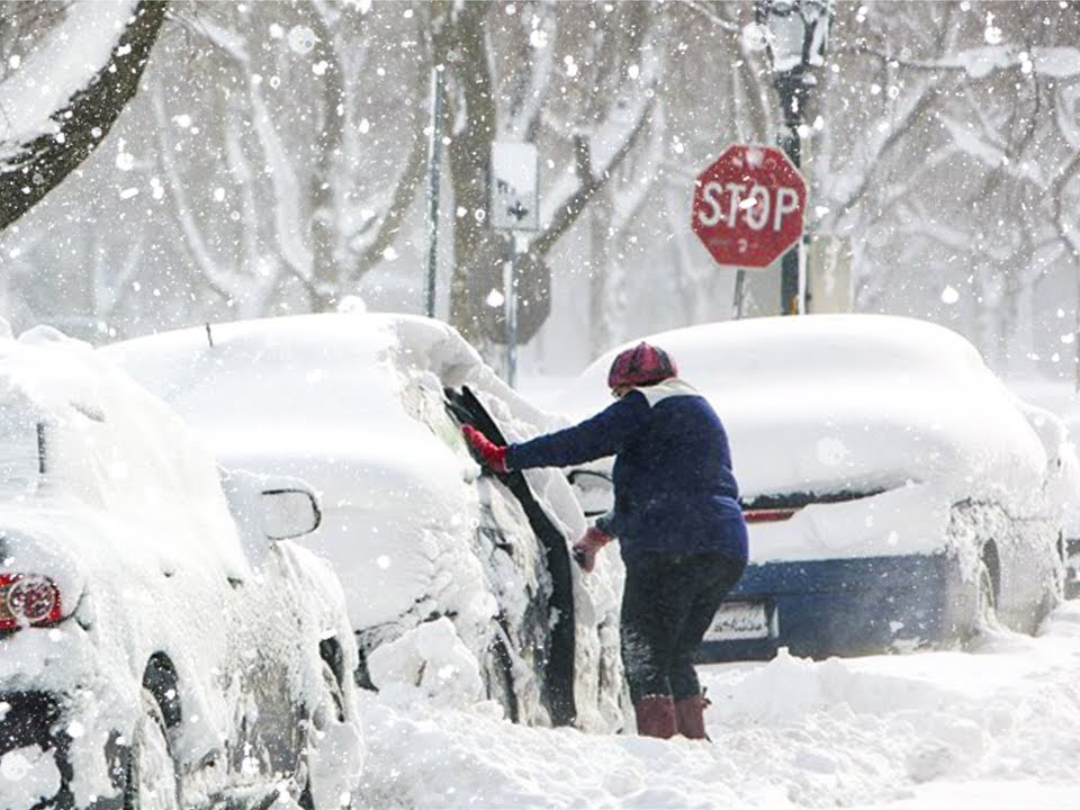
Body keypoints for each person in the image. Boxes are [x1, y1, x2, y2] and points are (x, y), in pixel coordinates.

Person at [462, 341, 748, 740]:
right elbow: (674, 490)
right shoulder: (699, 409)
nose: (618, 402)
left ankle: (663, 751)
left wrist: (505, 457)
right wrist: (600, 534)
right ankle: (694, 746)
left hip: (669, 547)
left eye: (618, 395)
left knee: (644, 655)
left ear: (629, 387)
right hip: (725, 546)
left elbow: (579, 442)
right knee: (676, 655)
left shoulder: (644, 404)